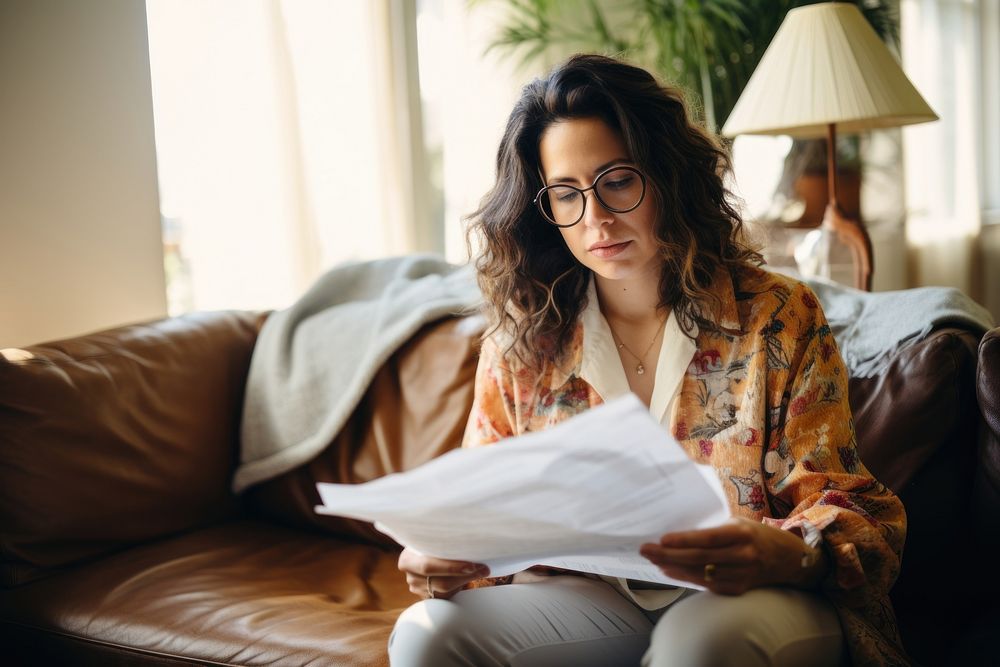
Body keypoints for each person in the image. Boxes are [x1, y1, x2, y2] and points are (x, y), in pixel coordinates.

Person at [388, 54, 908, 666]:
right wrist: (444, 554)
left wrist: (786, 552)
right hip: (591, 598)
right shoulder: (523, 342)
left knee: (699, 644)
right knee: (428, 632)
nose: (597, 218)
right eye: (566, 194)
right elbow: (482, 501)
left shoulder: (777, 314)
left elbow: (851, 507)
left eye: (617, 180)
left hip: (748, 596)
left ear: (666, 175)